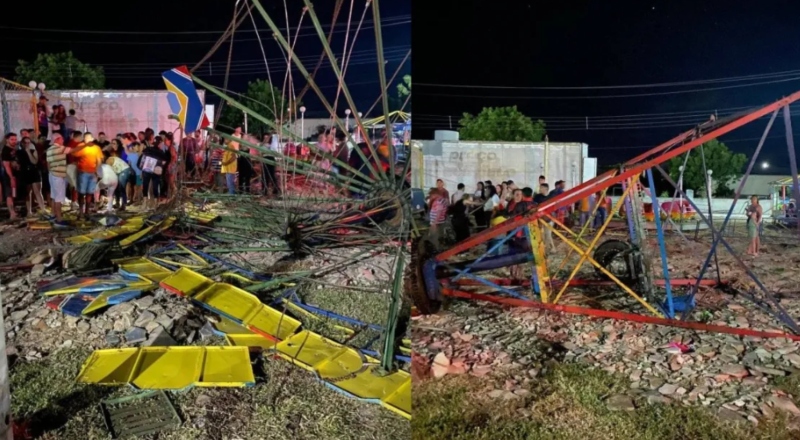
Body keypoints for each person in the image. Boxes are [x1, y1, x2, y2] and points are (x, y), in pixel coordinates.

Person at [69, 133, 104, 218]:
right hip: (82, 172)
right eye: (85, 138)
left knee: (89, 192)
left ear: (92, 138)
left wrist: (97, 171)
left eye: (88, 138)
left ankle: (87, 211)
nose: (87, 139)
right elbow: (73, 152)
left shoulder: (97, 148)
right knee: (81, 192)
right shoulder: (81, 146)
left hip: (93, 173)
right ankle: (81, 211)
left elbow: (99, 160)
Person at [45, 134, 72, 226]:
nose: (63, 139)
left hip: (52, 174)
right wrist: (85, 146)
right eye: (62, 138)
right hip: (58, 175)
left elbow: (48, 164)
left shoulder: (49, 149)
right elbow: (73, 150)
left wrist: (51, 172)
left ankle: (53, 214)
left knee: (54, 196)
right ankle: (59, 220)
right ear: (57, 139)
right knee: (58, 198)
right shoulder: (60, 149)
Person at [17, 136, 47, 217]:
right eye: (25, 143)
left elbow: (34, 161)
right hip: (25, 173)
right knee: (27, 193)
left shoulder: (34, 151)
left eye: (28, 142)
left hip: (34, 171)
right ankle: (29, 211)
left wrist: (29, 152)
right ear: (22, 143)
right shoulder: (19, 152)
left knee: (37, 191)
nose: (27, 144)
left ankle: (43, 209)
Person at [139, 137, 168, 210]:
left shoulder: (147, 149)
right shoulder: (161, 152)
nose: (162, 144)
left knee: (145, 186)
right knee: (155, 187)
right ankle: (155, 204)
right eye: (161, 143)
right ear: (159, 143)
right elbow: (164, 162)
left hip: (146, 170)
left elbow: (141, 159)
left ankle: (145, 203)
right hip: (155, 171)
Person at [1, 133, 19, 220]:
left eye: (15, 139)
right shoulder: (5, 151)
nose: (14, 141)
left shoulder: (14, 149)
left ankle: (14, 212)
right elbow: (6, 165)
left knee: (13, 193)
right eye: (12, 139)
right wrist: (11, 177)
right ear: (7, 140)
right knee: (9, 194)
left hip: (15, 175)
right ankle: (11, 213)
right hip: (9, 176)